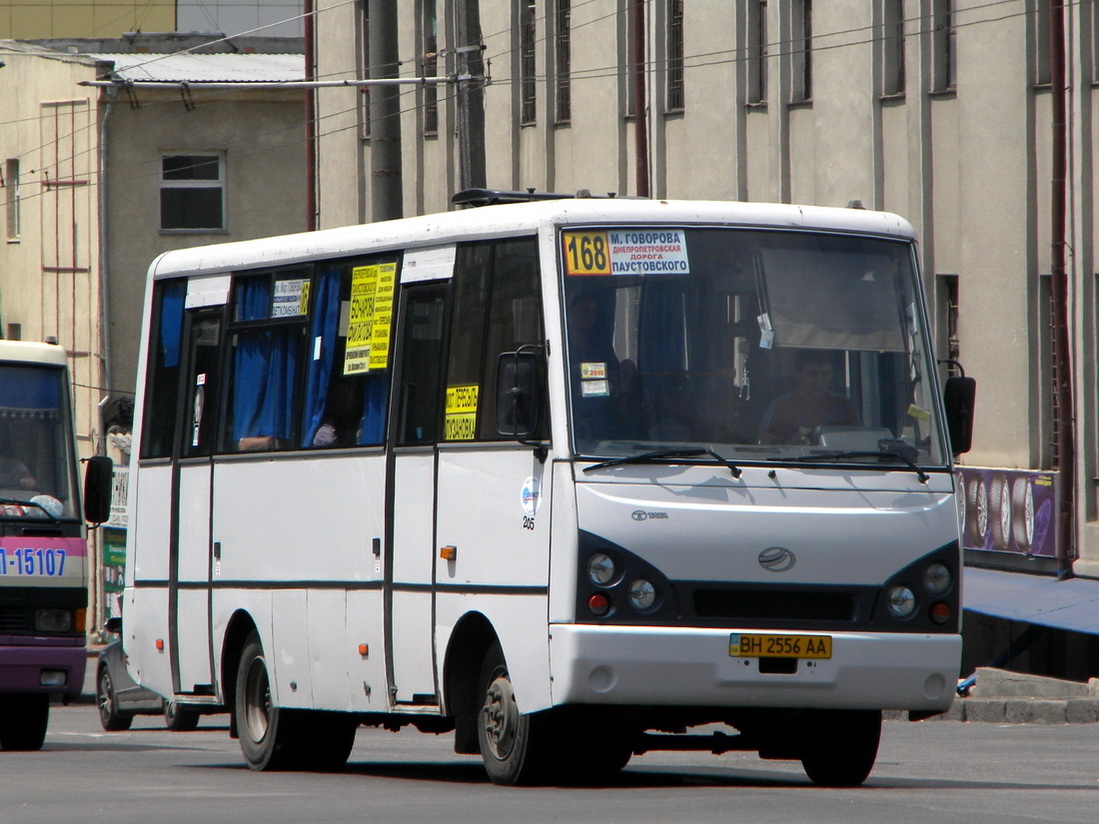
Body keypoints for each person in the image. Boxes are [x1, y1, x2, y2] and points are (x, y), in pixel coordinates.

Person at [759, 349, 857, 444]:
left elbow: (857, 440)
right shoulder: (779, 406)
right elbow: (762, 440)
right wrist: (788, 442)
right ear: (798, 374)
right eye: (813, 374)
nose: (820, 381)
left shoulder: (844, 406)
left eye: (825, 374)